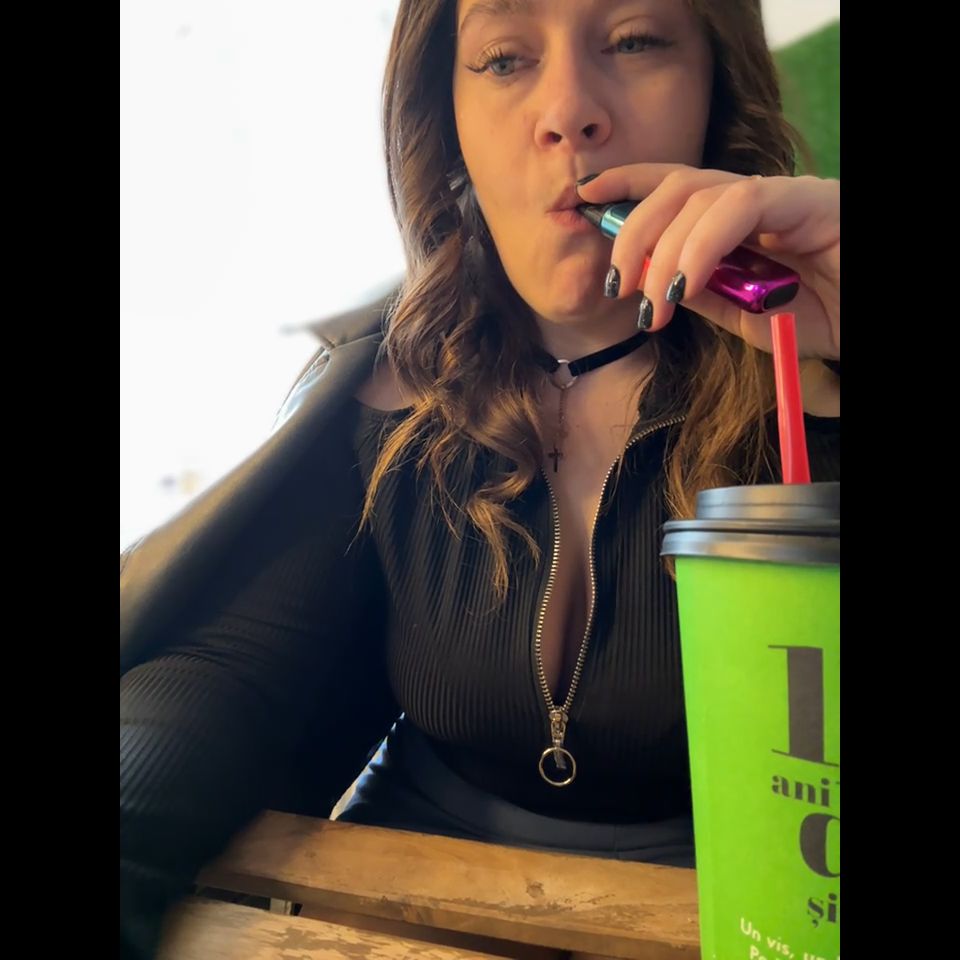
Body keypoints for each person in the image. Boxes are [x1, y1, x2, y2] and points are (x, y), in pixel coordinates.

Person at [120, 0, 840, 955]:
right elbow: (226, 675)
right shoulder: (386, 386)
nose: (569, 112)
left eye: (634, 41)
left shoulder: (812, 378)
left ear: (718, 86)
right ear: (446, 119)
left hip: (742, 911)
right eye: (504, 59)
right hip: (402, 894)